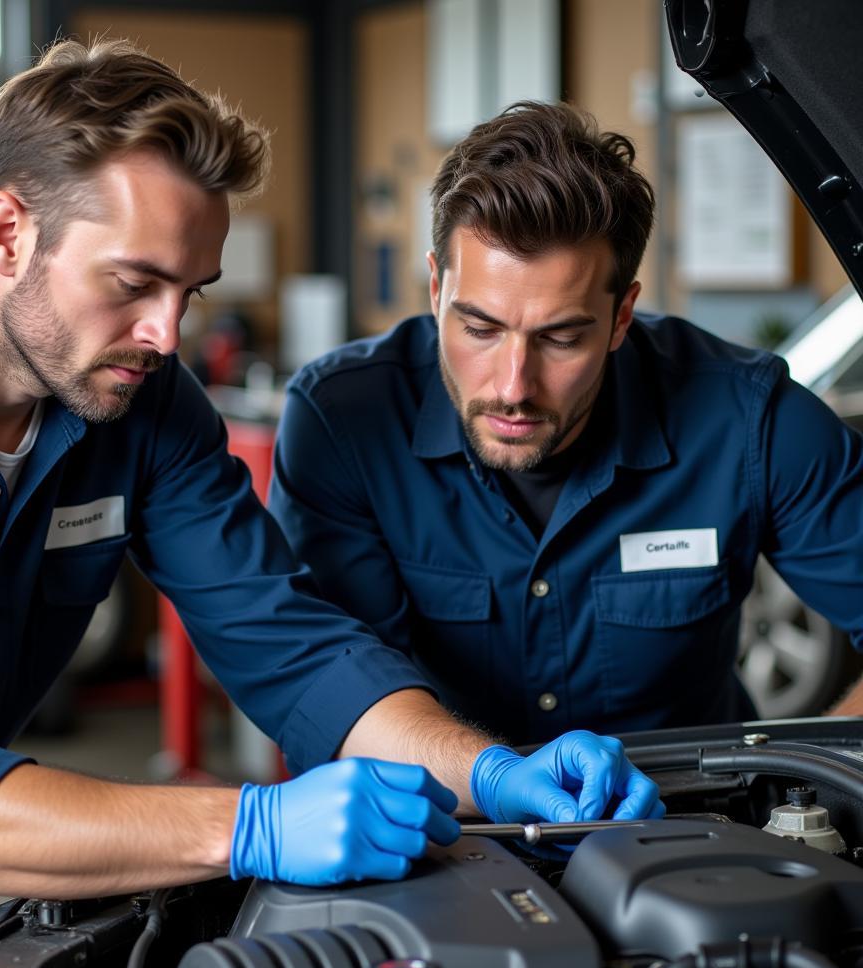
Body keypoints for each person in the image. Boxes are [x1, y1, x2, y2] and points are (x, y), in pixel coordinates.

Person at [0, 45, 662, 968]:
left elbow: (294, 648)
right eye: (134, 282)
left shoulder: (142, 405)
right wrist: (250, 823)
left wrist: (489, 769)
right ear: (8, 230)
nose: (165, 334)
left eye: (189, 290)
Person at [270, 101, 863, 748]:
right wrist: (491, 781)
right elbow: (330, 683)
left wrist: (805, 798)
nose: (513, 387)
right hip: (438, 823)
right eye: (480, 328)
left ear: (621, 315)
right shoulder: (342, 421)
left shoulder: (747, 420)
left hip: (692, 827)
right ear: (436, 289)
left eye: (561, 337)